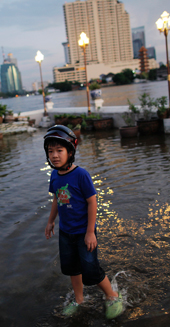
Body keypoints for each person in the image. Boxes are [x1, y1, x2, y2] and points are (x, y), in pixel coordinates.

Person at [43, 125, 123, 319]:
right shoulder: (55, 175)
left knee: (91, 270)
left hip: (84, 232)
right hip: (66, 231)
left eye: (59, 150)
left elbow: (92, 202)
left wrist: (90, 232)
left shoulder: (81, 175)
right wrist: (51, 221)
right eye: (50, 151)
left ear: (70, 152)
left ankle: (112, 296)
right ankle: (79, 299)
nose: (54, 155)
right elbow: (56, 198)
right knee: (72, 268)